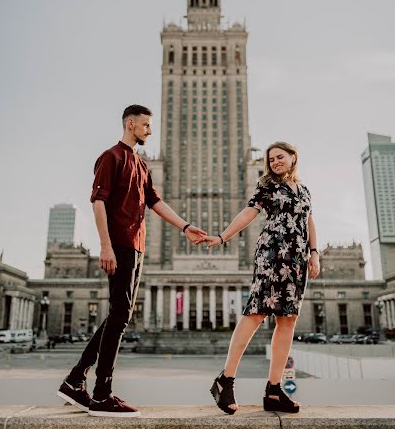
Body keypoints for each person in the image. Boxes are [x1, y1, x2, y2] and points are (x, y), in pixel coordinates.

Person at [57, 104, 208, 418]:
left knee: (118, 314)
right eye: (146, 125)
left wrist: (186, 227)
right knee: (121, 314)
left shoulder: (141, 164)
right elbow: (98, 202)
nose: (150, 131)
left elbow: (155, 202)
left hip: (137, 247)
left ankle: (75, 380)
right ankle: (101, 393)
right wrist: (105, 246)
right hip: (120, 245)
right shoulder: (111, 157)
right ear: (130, 124)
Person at [206, 141, 320, 415]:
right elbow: (249, 212)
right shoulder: (267, 186)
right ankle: (226, 380)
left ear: (294, 157)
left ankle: (273, 390)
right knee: (256, 313)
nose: (275, 162)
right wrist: (223, 236)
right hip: (271, 254)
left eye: (280, 157)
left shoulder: (304, 189)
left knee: (288, 320)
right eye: (271, 159)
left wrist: (314, 253)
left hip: (296, 260)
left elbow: (309, 220)